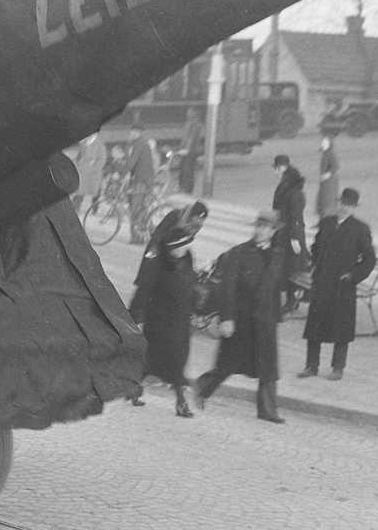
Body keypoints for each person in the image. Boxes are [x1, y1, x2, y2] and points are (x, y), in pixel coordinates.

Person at [195, 209, 286, 424]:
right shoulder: (238, 253)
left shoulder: (278, 254)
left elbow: (275, 287)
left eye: (265, 227)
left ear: (273, 231)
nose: (260, 231)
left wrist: (277, 315)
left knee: (268, 367)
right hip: (241, 319)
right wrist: (227, 318)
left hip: (265, 320)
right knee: (228, 364)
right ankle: (203, 388)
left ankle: (267, 410)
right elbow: (227, 289)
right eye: (258, 226)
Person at [297, 188, 376, 380]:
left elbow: (369, 259)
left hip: (343, 286)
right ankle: (311, 366)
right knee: (315, 325)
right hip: (323, 282)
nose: (344, 208)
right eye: (342, 203)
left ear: (354, 207)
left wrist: (353, 275)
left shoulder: (360, 229)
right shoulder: (327, 223)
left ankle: (338, 367)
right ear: (338, 203)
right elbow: (316, 247)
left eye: (349, 205)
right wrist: (315, 265)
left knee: (341, 327)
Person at [129, 226, 198, 418]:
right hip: (160, 321)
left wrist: (195, 307)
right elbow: (144, 290)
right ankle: (180, 403)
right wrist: (134, 316)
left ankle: (134, 387)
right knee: (171, 363)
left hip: (181, 320)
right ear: (174, 248)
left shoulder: (187, 259)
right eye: (184, 245)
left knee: (159, 362)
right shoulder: (158, 263)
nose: (188, 247)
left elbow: (189, 285)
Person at [271, 154, 309, 316]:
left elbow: (296, 215)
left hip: (291, 235)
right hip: (284, 232)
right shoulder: (288, 184)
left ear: (282, 168)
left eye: (277, 169)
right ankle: (291, 299)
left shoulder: (292, 189)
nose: (276, 172)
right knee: (286, 267)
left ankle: (292, 300)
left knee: (292, 268)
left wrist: (294, 237)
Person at [124, 123, 159, 245]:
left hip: (141, 181)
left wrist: (121, 172)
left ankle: (137, 238)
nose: (131, 134)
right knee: (142, 210)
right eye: (131, 132)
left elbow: (131, 163)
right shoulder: (139, 144)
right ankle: (154, 235)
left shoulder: (139, 144)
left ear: (139, 133)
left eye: (134, 132)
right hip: (143, 181)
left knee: (135, 210)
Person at [178, 107, 204, 195]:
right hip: (186, 150)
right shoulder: (189, 123)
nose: (187, 113)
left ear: (194, 114)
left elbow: (191, 138)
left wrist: (187, 149)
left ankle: (187, 189)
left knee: (187, 169)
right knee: (183, 169)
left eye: (189, 112)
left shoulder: (195, 124)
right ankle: (183, 187)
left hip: (190, 151)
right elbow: (186, 138)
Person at [315, 135, 339, 219]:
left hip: (330, 182)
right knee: (322, 199)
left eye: (325, 142)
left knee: (328, 200)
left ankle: (327, 219)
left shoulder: (330, 154)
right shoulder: (325, 154)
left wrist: (327, 175)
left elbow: (335, 166)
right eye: (322, 142)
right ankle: (322, 220)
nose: (323, 144)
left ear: (329, 144)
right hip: (324, 182)